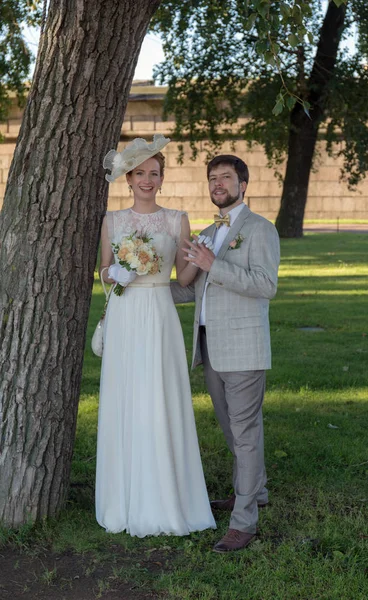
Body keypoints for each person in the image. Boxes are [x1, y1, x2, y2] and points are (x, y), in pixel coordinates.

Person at [96, 134, 216, 537]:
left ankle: (167, 495)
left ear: (162, 179)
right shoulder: (112, 221)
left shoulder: (176, 218)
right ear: (128, 179)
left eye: (154, 173)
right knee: (127, 394)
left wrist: (199, 259)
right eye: (140, 173)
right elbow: (102, 272)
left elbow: (182, 276)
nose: (147, 180)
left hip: (161, 311)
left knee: (161, 395)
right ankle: (125, 497)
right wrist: (115, 273)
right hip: (126, 314)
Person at [171, 154, 280, 552]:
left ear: (243, 185)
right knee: (234, 432)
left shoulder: (260, 230)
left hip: (244, 350)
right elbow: (194, 289)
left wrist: (213, 264)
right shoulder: (206, 232)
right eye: (213, 178)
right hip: (210, 348)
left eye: (226, 178)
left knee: (246, 435)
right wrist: (144, 289)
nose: (218, 184)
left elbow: (265, 284)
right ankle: (254, 491)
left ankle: (244, 522)